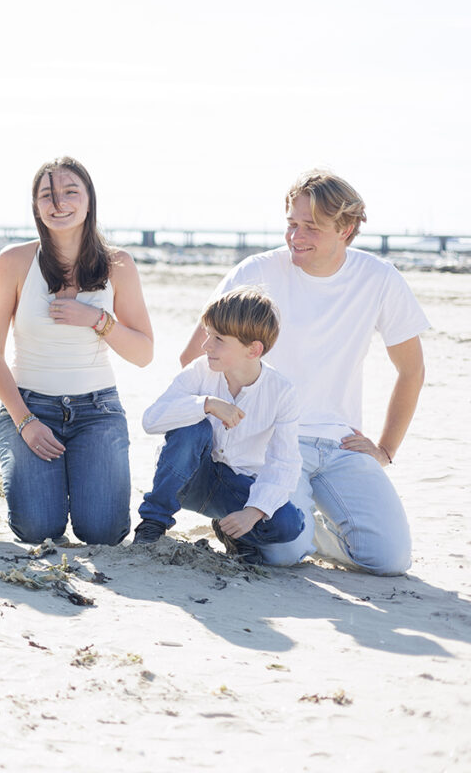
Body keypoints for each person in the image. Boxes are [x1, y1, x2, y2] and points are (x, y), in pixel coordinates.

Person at [177, 170, 428, 575]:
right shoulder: (257, 272)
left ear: (346, 229)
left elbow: (412, 370)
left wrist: (386, 449)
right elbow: (196, 356)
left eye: (311, 227)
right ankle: (274, 529)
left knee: (388, 561)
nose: (296, 236)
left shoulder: (379, 278)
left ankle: (308, 530)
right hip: (272, 443)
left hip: (340, 444)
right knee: (282, 556)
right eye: (292, 224)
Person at [0, 156, 154, 545]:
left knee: (103, 533)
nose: (58, 203)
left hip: (97, 411)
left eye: (70, 192)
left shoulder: (118, 265)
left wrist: (97, 320)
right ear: (36, 206)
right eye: (47, 195)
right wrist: (25, 421)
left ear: (89, 200)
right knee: (36, 530)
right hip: (29, 406)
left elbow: (144, 353)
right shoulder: (13, 262)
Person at [136, 286, 305, 561]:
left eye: (218, 339)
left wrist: (253, 512)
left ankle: (233, 532)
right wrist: (207, 404)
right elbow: (151, 420)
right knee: (194, 427)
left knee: (289, 524)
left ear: (254, 350)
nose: (205, 346)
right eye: (207, 334)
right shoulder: (200, 371)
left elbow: (284, 463)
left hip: (235, 487)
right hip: (188, 478)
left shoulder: (281, 392)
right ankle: (153, 523)